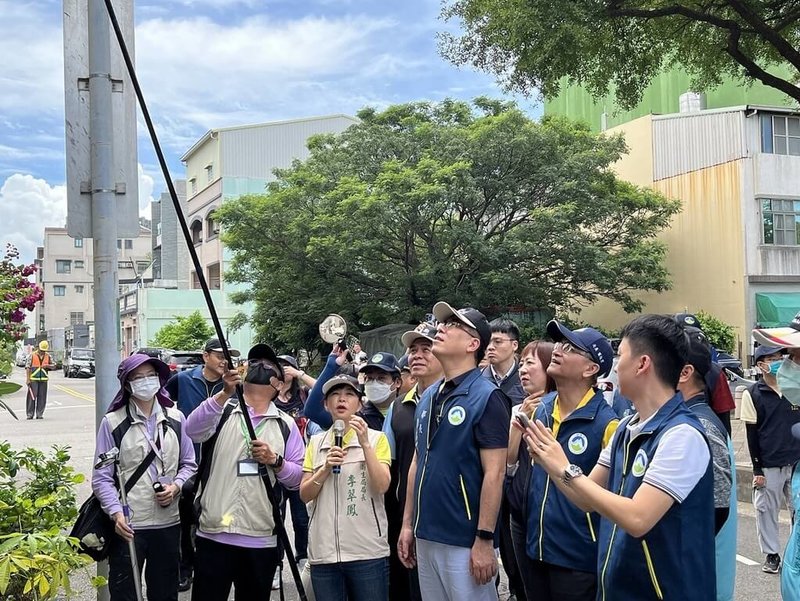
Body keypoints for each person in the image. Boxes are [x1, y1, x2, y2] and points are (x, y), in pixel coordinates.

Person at [522, 314, 715, 600]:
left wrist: (564, 467)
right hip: (618, 587)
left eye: (620, 355)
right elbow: (587, 499)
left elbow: (638, 517)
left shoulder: (682, 435)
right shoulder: (627, 427)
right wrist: (551, 462)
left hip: (665, 590)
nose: (614, 365)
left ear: (642, 364)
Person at [398, 302, 510, 601]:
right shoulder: (428, 396)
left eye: (453, 325)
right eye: (442, 324)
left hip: (464, 538)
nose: (441, 329)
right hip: (426, 533)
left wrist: (485, 539)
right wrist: (408, 524)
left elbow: (495, 473)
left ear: (473, 344)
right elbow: (417, 463)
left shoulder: (488, 397)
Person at [184, 343, 305, 601]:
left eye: (269, 365)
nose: (260, 366)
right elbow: (192, 430)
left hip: (260, 537)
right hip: (213, 533)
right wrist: (223, 394)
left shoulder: (286, 425)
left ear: (279, 384)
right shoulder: (222, 410)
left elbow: (297, 478)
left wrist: (276, 461)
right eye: (254, 362)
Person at [521, 321, 618, 600]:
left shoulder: (606, 423)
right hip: (536, 548)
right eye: (559, 344)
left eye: (571, 347)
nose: (558, 350)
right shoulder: (543, 409)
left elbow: (602, 497)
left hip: (578, 558)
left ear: (591, 369)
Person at [91, 353, 197, 601]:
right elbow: (101, 477)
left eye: (151, 376)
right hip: (129, 526)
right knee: (126, 594)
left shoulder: (176, 418)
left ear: (160, 379)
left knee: (165, 593)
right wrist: (116, 514)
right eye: (138, 377)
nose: (146, 382)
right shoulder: (113, 422)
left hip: (168, 523)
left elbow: (189, 463)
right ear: (127, 384)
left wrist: (176, 487)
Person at [299, 374, 392, 600]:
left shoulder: (377, 439)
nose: (342, 399)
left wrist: (365, 444)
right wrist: (325, 468)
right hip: (324, 553)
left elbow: (382, 485)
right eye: (335, 395)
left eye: (349, 394)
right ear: (325, 404)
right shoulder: (316, 443)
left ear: (359, 404)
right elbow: (304, 494)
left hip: (366, 551)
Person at [164, 336, 240, 592]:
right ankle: (184, 569)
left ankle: (211, 568)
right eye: (219, 355)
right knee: (184, 519)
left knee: (215, 517)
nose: (224, 361)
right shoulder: (183, 379)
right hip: (187, 461)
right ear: (205, 356)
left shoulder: (233, 385)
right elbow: (163, 404)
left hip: (220, 461)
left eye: (228, 356)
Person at [383, 322, 443, 601]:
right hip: (402, 513)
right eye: (412, 350)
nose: (416, 355)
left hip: (445, 516)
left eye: (426, 349)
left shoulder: (458, 402)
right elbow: (387, 461)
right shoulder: (398, 406)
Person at [677, 327, 737, 600]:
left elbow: (716, 511)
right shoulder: (688, 420)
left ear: (684, 373)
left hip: (695, 579)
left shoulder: (700, 427)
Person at [739, 344, 800, 574]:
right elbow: (751, 434)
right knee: (766, 510)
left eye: (779, 357)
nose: (777, 362)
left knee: (798, 510)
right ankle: (772, 554)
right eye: (771, 358)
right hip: (769, 463)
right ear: (760, 364)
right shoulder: (752, 394)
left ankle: (797, 554)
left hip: (796, 461)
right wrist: (757, 469)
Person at [504, 341, 555, 600]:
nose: (522, 370)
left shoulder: (558, 409)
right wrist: (518, 424)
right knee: (527, 586)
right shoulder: (518, 407)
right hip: (520, 510)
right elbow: (509, 461)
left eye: (530, 363)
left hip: (551, 514)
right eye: (521, 364)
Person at [272, 353, 318, 589]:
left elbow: (321, 389)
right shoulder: (269, 396)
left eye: (288, 366)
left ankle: (302, 558)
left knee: (301, 518)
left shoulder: (303, 395)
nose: (284, 370)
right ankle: (276, 566)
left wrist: (300, 374)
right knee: (275, 518)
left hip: (302, 465)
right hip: (275, 464)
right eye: (280, 367)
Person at [303, 348, 401, 431]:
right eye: (370, 378)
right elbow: (312, 411)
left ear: (397, 382)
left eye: (381, 378)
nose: (374, 383)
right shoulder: (354, 415)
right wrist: (331, 366)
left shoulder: (408, 411)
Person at [483, 318, 526, 405]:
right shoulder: (478, 380)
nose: (490, 347)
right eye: (488, 342)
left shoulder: (526, 378)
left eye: (497, 342)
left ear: (514, 345)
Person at [25, 340, 52, 419]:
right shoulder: (32, 355)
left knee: (42, 397)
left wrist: (48, 366)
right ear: (38, 348)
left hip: (43, 380)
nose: (43, 352)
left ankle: (39, 414)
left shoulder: (48, 356)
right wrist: (28, 379)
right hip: (33, 379)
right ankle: (30, 414)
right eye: (42, 350)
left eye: (44, 350)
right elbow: (27, 367)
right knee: (32, 397)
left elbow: (54, 365)